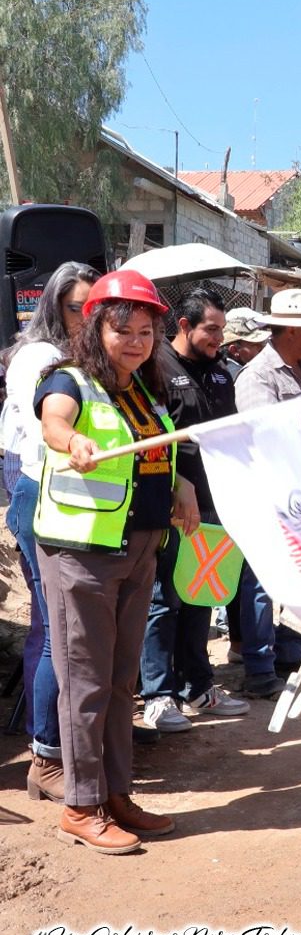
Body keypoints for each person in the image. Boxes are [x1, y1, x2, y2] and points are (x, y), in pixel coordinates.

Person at [33, 269, 200, 853]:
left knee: (121, 680)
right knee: (86, 682)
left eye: (146, 331)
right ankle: (80, 804)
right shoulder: (70, 381)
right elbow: (54, 419)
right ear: (94, 327)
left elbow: (155, 454)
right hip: (83, 554)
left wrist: (181, 486)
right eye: (122, 329)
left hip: (140, 549)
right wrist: (69, 439)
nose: (135, 341)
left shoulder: (142, 391)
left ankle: (115, 794)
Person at [4, 263, 100, 801]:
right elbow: (49, 432)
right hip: (43, 494)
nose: (86, 319)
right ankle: (46, 755)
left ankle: (69, 741)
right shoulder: (43, 358)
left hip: (65, 497)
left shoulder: (76, 356)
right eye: (75, 308)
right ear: (53, 308)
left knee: (66, 632)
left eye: (94, 309)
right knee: (50, 634)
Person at [140, 289, 249, 733]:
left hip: (214, 505)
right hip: (170, 505)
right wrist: (172, 490)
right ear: (184, 326)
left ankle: (198, 687)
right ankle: (157, 694)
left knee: (200, 594)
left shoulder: (223, 374)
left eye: (221, 330)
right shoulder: (157, 369)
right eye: (211, 329)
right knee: (164, 600)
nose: (218, 339)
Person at [234, 288, 301, 695]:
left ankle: (288, 654)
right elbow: (261, 438)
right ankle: (260, 669)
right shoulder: (258, 377)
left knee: (300, 577)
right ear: (293, 329)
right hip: (274, 495)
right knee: (264, 582)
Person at [220, 308, 270, 380]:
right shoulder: (244, 376)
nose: (261, 348)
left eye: (261, 343)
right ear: (234, 350)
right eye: (255, 345)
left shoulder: (223, 369)